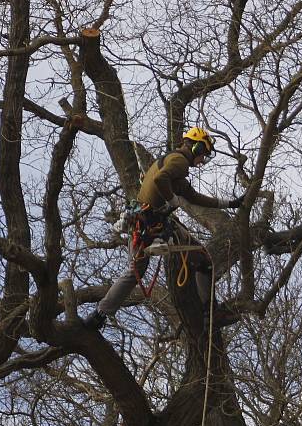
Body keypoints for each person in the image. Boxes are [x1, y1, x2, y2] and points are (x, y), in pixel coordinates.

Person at [83, 126, 244, 331]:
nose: (202, 160)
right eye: (203, 154)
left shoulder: (170, 162)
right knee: (204, 259)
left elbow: (194, 197)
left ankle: (99, 315)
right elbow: (161, 180)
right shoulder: (179, 161)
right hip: (153, 222)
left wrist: (229, 204)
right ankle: (210, 314)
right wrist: (172, 199)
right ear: (195, 148)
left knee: (135, 272)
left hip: (142, 222)